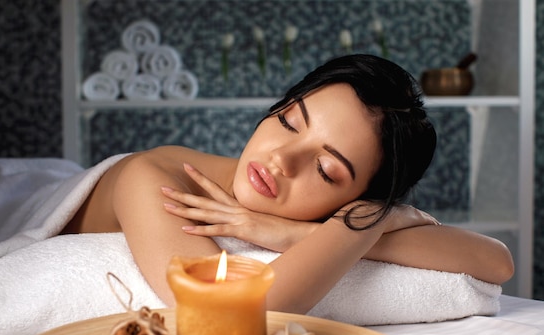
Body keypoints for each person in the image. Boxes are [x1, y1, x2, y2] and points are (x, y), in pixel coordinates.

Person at [62, 54, 514, 314]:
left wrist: (306, 233)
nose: (280, 158)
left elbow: (495, 262)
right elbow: (224, 313)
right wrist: (377, 219)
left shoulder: (355, 209)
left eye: (326, 171)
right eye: (288, 121)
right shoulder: (155, 181)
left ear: (358, 196)